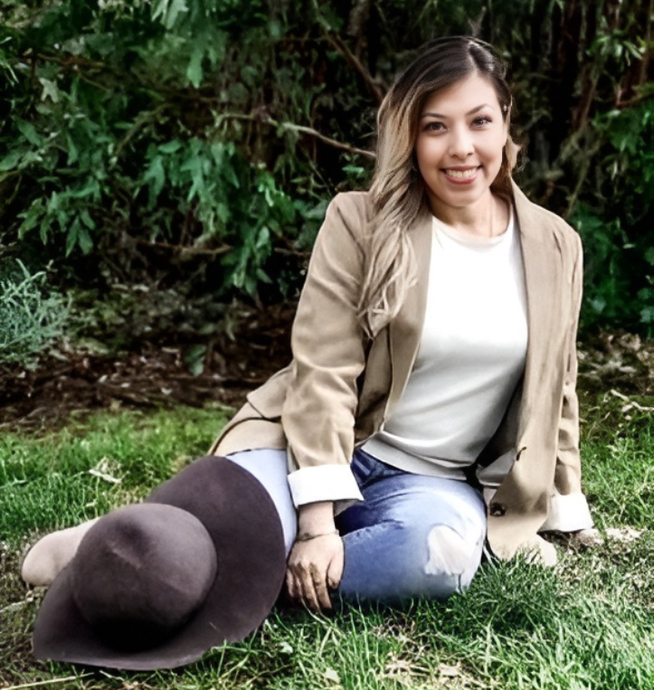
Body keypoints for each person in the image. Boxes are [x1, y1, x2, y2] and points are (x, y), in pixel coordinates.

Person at [23, 36, 594, 663]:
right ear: (411, 138)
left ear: (506, 123)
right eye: (436, 127)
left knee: (442, 560)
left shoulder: (555, 245)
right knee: (201, 530)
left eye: (479, 121)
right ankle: (116, 552)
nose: (461, 148)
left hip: (432, 484)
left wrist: (566, 510)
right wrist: (318, 521)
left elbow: (554, 388)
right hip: (313, 447)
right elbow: (323, 372)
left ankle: (234, 574)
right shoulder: (361, 222)